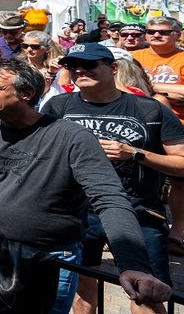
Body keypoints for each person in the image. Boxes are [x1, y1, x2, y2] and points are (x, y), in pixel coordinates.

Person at [0, 59, 172, 314]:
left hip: (51, 256)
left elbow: (110, 199)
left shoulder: (72, 137)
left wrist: (132, 264)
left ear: (27, 93)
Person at [42, 44, 184, 314]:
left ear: (113, 68)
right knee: (82, 288)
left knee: (146, 291)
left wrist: (135, 153)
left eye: (90, 64)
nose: (79, 71)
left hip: (138, 212)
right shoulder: (58, 107)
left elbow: (181, 164)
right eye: (73, 66)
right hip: (77, 213)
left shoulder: (149, 109)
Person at [130, 16, 184, 251]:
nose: (155, 35)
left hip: (177, 127)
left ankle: (178, 231)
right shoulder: (135, 56)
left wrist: (151, 88)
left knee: (179, 179)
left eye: (162, 31)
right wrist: (169, 92)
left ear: (177, 35)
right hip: (140, 124)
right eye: (150, 31)